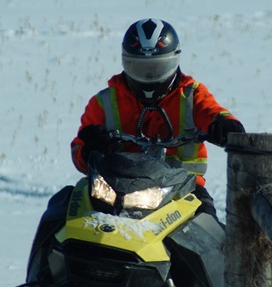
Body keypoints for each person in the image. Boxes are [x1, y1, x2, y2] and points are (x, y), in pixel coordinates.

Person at [70, 17, 244, 217]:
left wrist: (225, 126)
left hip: (183, 190)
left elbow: (212, 111)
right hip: (114, 189)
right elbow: (79, 148)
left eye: (157, 68)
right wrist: (89, 149)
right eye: (139, 68)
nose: (148, 77)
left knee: (210, 233)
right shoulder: (105, 101)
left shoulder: (190, 95)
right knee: (65, 208)